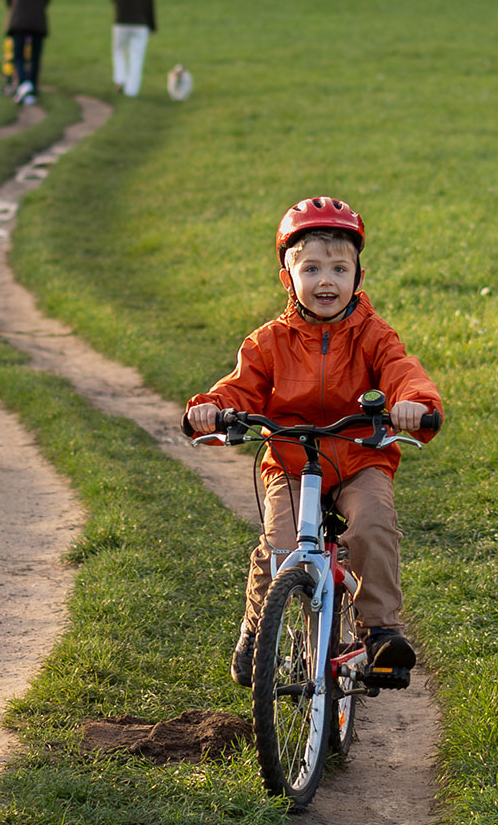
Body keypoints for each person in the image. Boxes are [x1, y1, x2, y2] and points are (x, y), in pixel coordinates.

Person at [185, 197, 442, 688]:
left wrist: (413, 403)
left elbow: (403, 372)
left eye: (339, 269)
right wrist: (211, 408)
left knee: (372, 525)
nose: (327, 281)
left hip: (359, 457)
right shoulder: (269, 341)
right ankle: (257, 632)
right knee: (280, 546)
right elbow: (239, 388)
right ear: (289, 278)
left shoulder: (373, 334)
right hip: (290, 459)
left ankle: (381, 630)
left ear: (358, 278)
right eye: (313, 268)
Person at [3, 0, 52, 105]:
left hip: (18, 19)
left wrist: (14, 8)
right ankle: (32, 85)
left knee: (18, 55)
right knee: (35, 56)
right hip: (38, 20)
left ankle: (22, 83)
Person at [108, 0, 157, 96]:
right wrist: (152, 25)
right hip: (140, 25)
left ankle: (120, 78)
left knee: (118, 51)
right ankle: (132, 90)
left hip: (121, 23)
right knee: (136, 57)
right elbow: (149, 5)